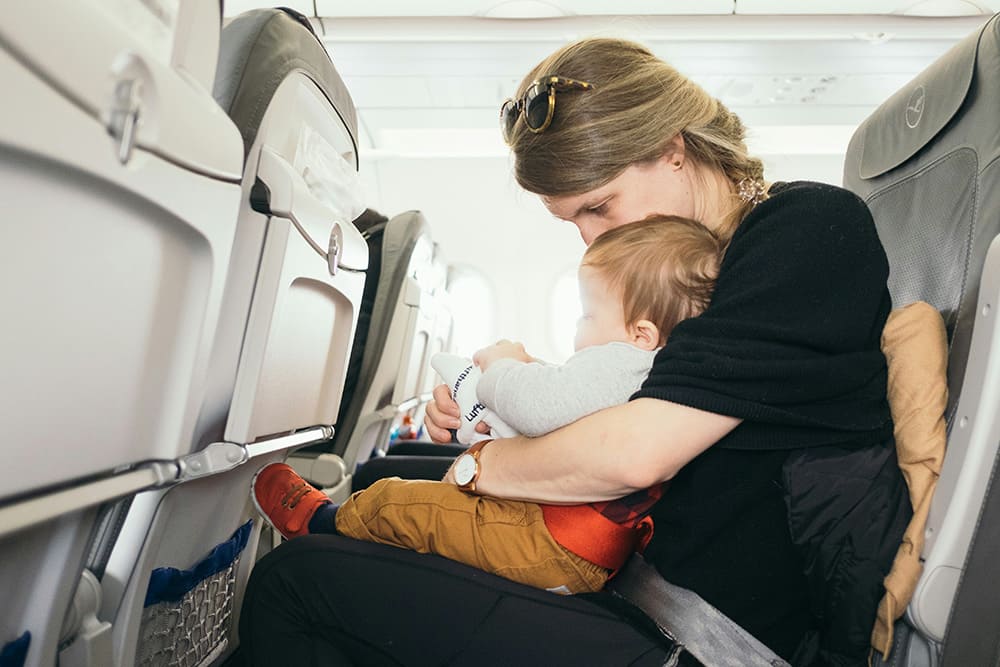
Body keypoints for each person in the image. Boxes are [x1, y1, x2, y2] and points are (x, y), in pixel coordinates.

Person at [239, 37, 911, 666]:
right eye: (574, 222)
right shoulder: (688, 269)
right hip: (623, 583)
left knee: (293, 585)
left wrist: (484, 465)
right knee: (383, 483)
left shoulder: (806, 233)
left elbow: (633, 453)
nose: (591, 242)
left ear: (673, 149)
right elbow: (634, 393)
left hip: (696, 636)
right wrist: (502, 391)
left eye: (600, 206)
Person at [251, 215, 721, 595]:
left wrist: (501, 366)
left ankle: (321, 524)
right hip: (572, 543)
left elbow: (540, 406)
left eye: (587, 314)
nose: (579, 328)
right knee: (432, 509)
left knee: (398, 501)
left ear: (641, 333)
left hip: (550, 539)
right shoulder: (648, 368)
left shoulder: (624, 361)